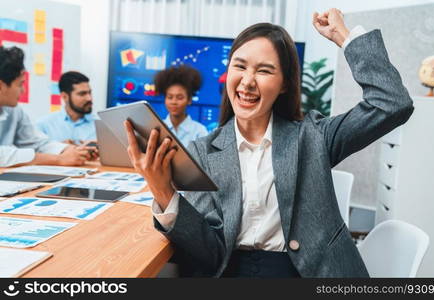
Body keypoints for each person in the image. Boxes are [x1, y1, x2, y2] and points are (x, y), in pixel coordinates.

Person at [124, 9, 414, 277]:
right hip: (232, 271)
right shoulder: (203, 150)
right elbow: (207, 252)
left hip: (308, 272)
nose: (247, 81)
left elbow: (392, 103)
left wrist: (344, 37)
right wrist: (162, 191)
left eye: (264, 71)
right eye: (240, 66)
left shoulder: (313, 136)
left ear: (285, 83)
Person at [0, 46, 94, 167]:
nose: (23, 90)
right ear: (1, 86)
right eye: (20, 84)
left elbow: (37, 142)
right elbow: (3, 155)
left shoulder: (14, 110)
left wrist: (68, 150)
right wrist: (58, 159)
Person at [154, 65, 208, 147]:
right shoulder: (156, 128)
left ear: (189, 100)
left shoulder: (200, 131)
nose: (174, 102)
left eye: (179, 97)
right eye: (170, 97)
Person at [36, 71, 96, 145]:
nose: (89, 98)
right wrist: (58, 149)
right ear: (65, 97)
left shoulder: (101, 125)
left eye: (89, 92)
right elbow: (35, 154)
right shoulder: (44, 125)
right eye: (82, 94)